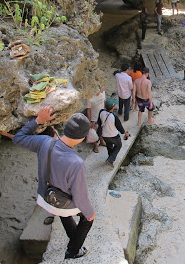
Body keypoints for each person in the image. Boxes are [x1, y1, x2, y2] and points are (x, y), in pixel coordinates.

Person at [12, 107, 95, 259]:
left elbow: (18, 138)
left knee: (65, 212)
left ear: (65, 129)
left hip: (44, 198)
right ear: (83, 137)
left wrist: (38, 120)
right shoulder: (76, 163)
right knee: (87, 218)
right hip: (61, 204)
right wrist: (90, 213)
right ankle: (73, 251)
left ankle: (72, 240)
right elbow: (81, 198)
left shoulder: (45, 142)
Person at [100, 98, 130, 168]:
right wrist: (126, 134)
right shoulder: (113, 116)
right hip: (113, 135)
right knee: (118, 145)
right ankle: (110, 160)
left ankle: (110, 159)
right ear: (113, 107)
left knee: (109, 146)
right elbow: (120, 128)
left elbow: (99, 123)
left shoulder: (101, 112)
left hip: (104, 135)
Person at [87, 87, 106, 153]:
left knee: (101, 130)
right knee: (93, 132)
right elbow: (88, 110)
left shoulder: (103, 93)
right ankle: (96, 146)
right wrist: (89, 121)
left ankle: (101, 141)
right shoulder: (90, 98)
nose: (103, 89)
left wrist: (105, 112)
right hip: (94, 118)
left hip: (102, 116)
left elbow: (104, 102)